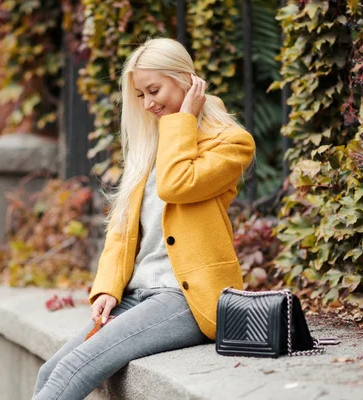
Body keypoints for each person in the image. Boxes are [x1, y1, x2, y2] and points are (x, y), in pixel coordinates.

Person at [33, 37, 255, 400]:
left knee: (73, 371)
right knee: (51, 370)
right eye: (140, 94)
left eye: (154, 90)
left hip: (185, 298)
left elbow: (176, 185)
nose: (148, 103)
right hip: (136, 296)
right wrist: (106, 288)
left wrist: (183, 119)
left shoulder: (229, 142)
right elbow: (122, 229)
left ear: (186, 79)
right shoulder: (152, 142)